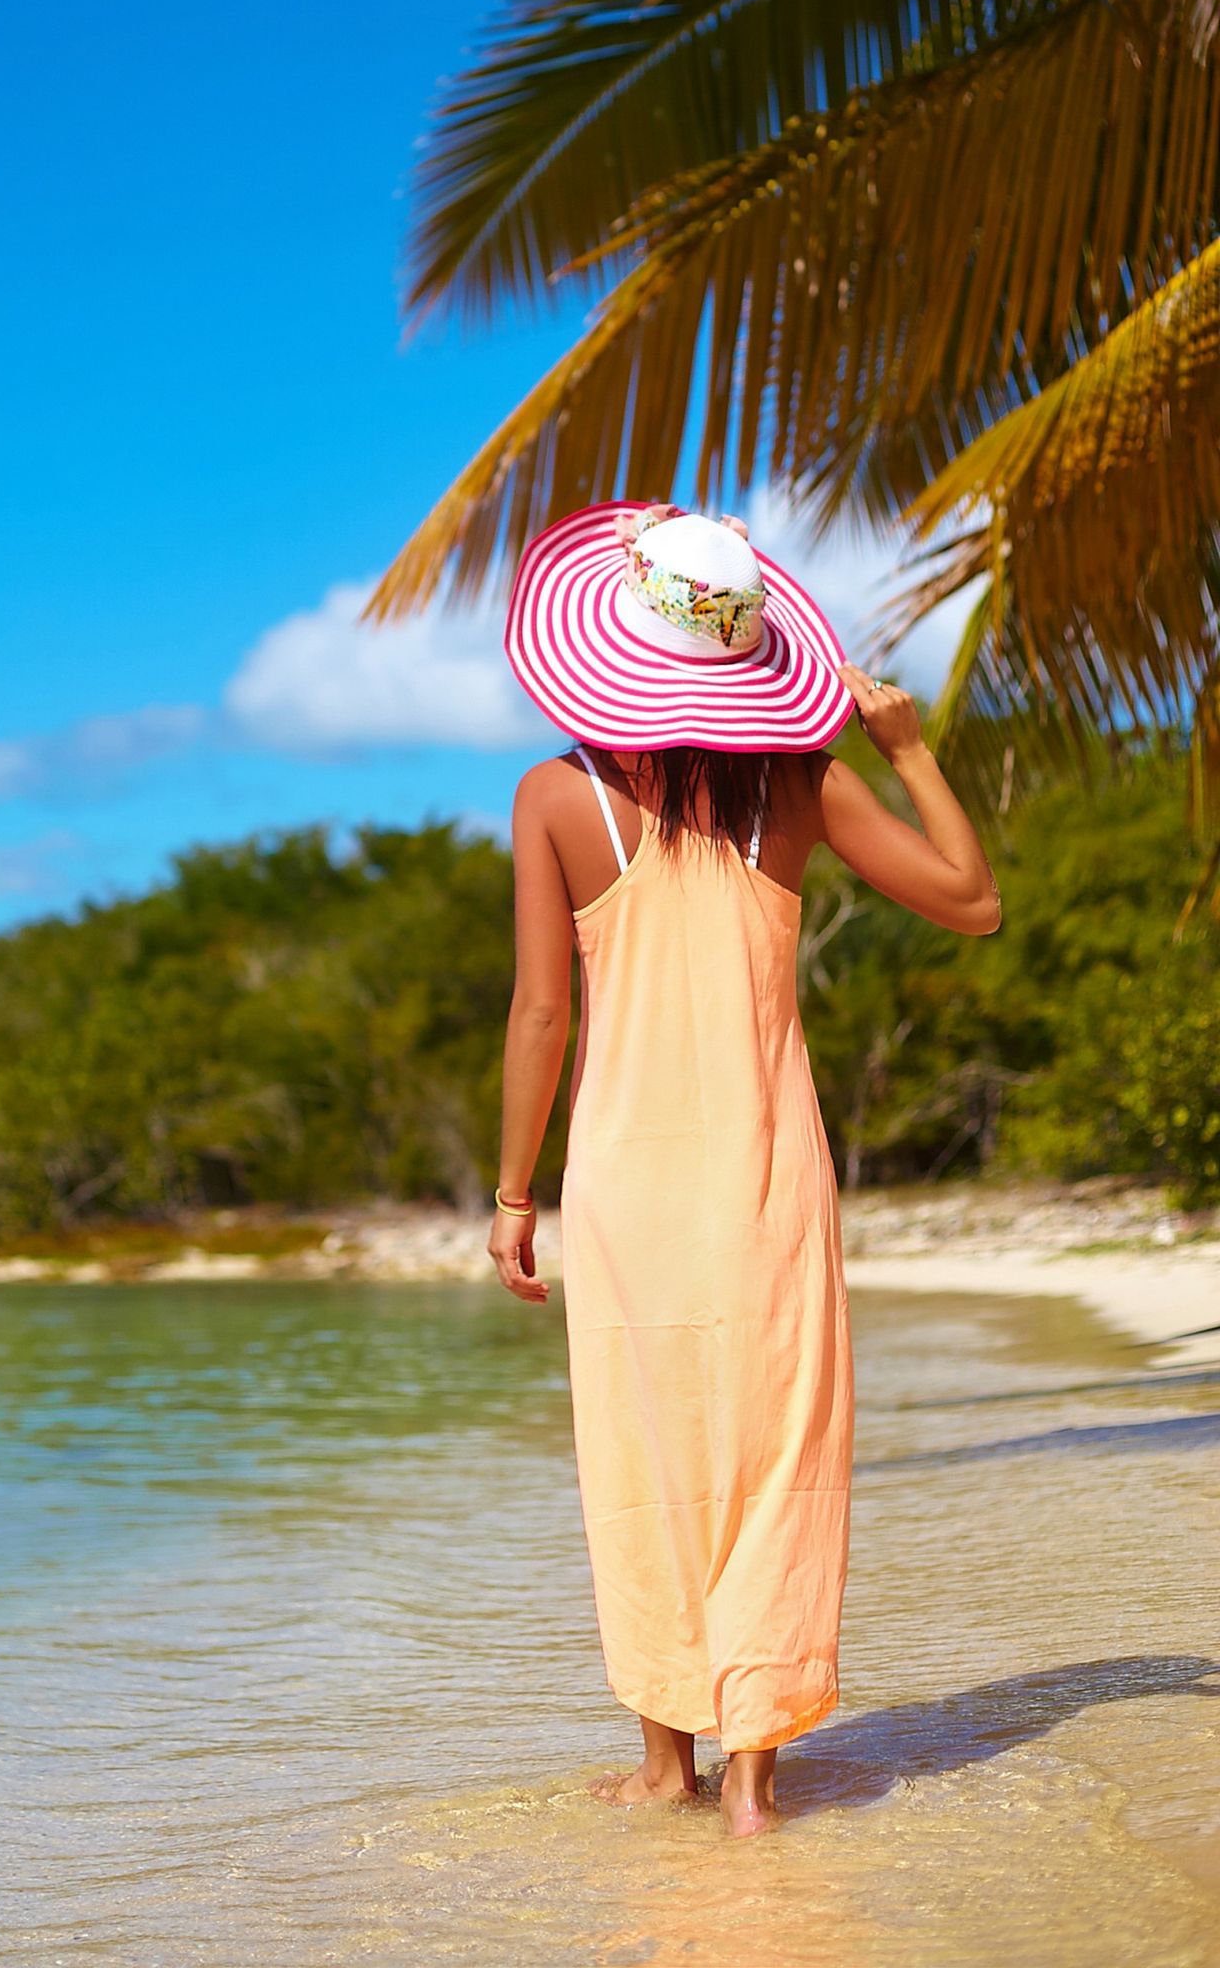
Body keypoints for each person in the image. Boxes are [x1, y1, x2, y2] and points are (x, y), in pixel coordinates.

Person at [487, 502, 1000, 1839]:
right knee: (778, 1451)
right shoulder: (799, 784)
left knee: (645, 1452)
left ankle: (666, 1764)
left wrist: (510, 1197)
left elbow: (541, 1015)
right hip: (769, 1174)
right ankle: (754, 1789)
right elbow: (972, 898)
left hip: (621, 1184)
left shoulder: (555, 794)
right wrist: (909, 747)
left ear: (613, 639)